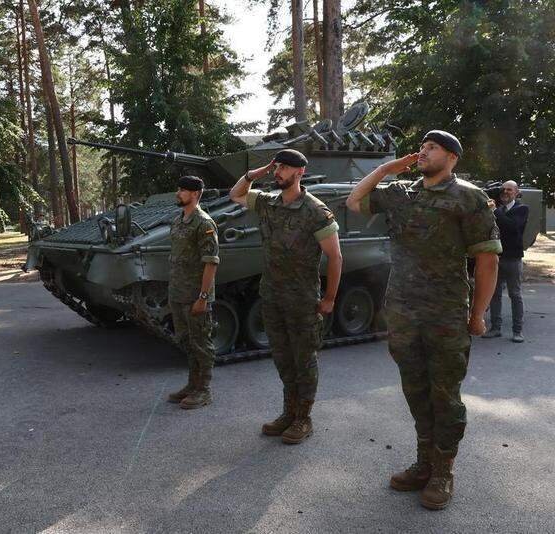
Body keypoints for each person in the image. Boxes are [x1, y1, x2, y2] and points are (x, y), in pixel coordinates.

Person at [346, 130, 501, 510]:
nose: (424, 151)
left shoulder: (468, 197)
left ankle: (443, 471)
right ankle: (424, 463)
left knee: (445, 395)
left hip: (446, 313)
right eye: (423, 146)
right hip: (402, 311)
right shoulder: (402, 192)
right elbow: (354, 201)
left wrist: (478, 313)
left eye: (433, 148)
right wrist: (387, 167)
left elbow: (487, 258)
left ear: (452, 157)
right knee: (415, 390)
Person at [229, 149, 342, 444]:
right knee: (282, 358)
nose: (278, 172)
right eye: (277, 167)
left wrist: (329, 298)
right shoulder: (268, 203)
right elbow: (236, 194)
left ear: (299, 172)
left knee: (303, 360)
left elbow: (335, 256)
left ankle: (303, 418)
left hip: (302, 300)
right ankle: (289, 412)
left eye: (284, 168)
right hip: (272, 296)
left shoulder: (316, 211)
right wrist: (259, 172)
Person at [166, 175, 220, 409]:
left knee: (201, 343)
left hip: (196, 295)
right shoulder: (179, 220)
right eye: (179, 189)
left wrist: (203, 297)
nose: (178, 193)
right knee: (186, 341)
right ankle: (192, 384)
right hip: (178, 293)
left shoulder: (204, 223)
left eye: (183, 190)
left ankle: (204, 390)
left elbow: (211, 262)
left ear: (195, 194)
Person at [483, 180, 528, 343]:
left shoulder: (521, 209)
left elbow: (512, 227)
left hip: (513, 259)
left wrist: (494, 210)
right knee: (494, 294)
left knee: (515, 294)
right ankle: (495, 328)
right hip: (497, 257)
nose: (505, 192)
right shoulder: (498, 209)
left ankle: (517, 331)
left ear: (516, 192)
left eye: (509, 190)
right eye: (503, 190)